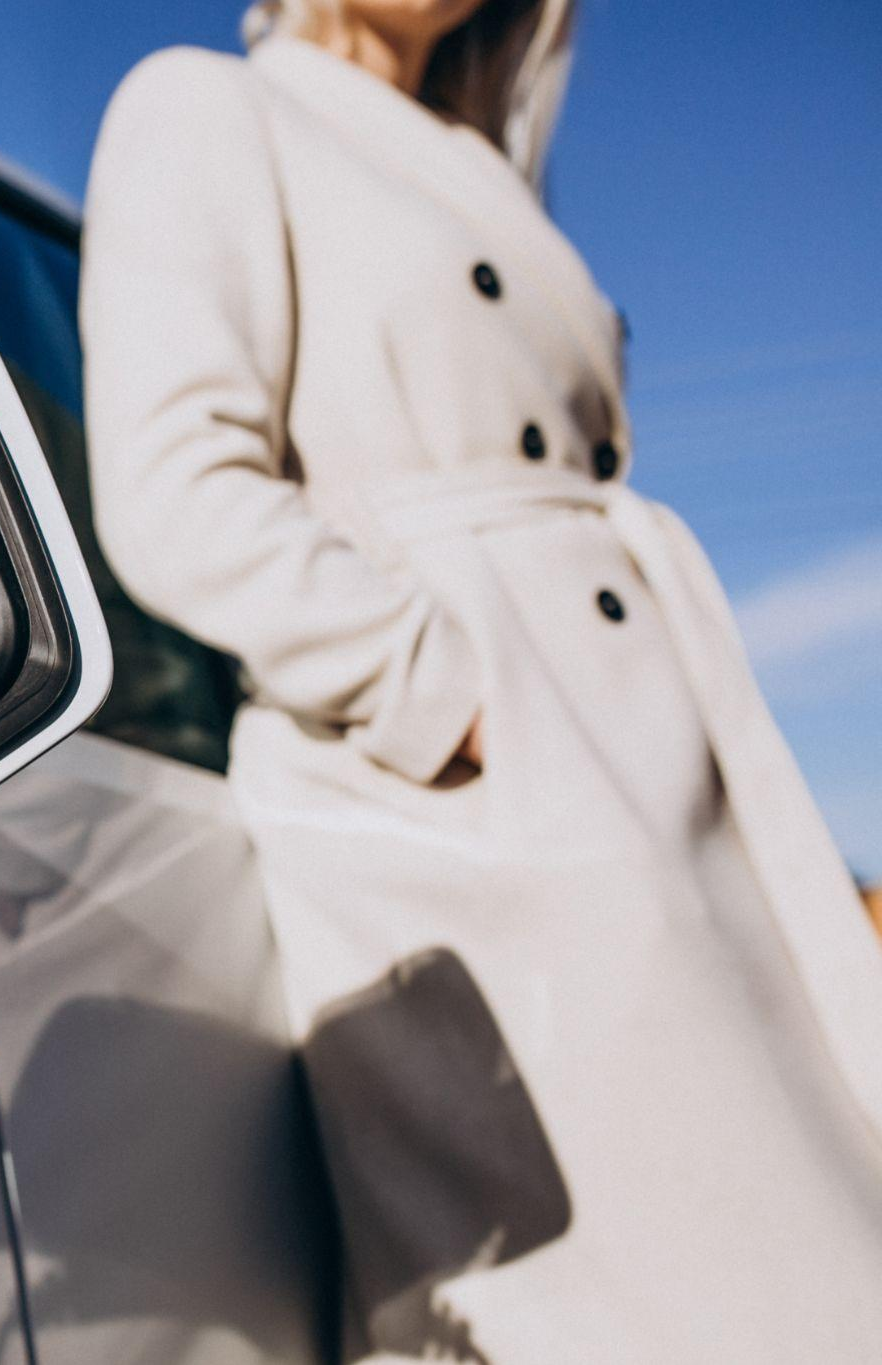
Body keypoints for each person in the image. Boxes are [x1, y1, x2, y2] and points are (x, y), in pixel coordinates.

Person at [80, 1, 882, 1359]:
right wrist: (436, 685)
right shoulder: (211, 102)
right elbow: (171, 488)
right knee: (627, 1296)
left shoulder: (475, 159)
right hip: (492, 807)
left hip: (646, 767)